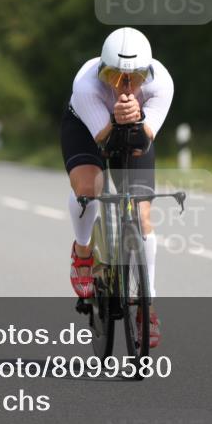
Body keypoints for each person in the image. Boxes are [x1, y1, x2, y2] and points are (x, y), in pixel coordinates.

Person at [61, 27, 173, 348]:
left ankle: (147, 305)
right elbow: (105, 142)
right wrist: (116, 118)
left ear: (147, 73)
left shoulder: (161, 84)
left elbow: (140, 141)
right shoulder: (86, 87)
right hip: (87, 127)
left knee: (141, 214)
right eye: (114, 75)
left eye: (135, 77)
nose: (125, 85)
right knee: (89, 187)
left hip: (135, 130)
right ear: (101, 71)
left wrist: (135, 118)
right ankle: (83, 252)